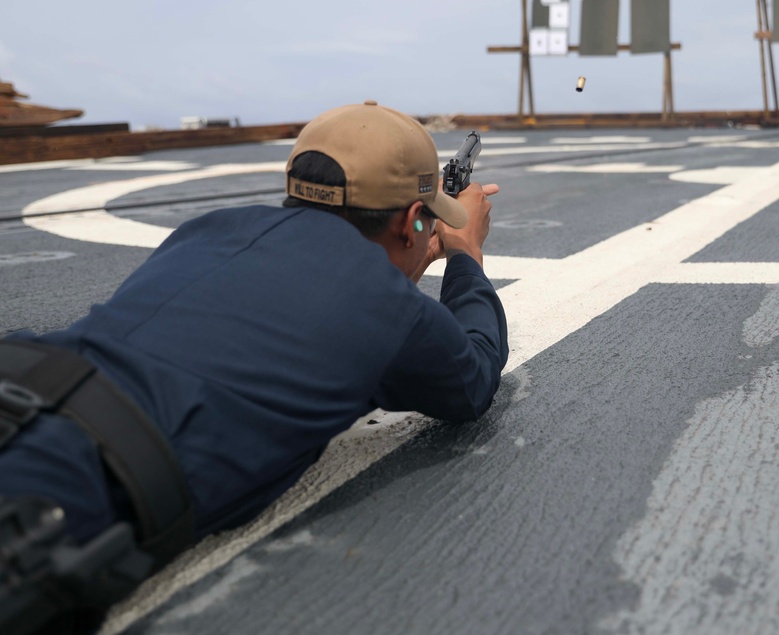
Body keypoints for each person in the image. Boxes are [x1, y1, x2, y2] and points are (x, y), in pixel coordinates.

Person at [0, 100, 508, 633]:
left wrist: (391, 274)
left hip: (30, 380)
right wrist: (466, 257)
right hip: (63, 493)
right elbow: (470, 381)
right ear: (411, 223)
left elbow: (282, 304)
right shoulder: (387, 308)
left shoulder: (209, 227)